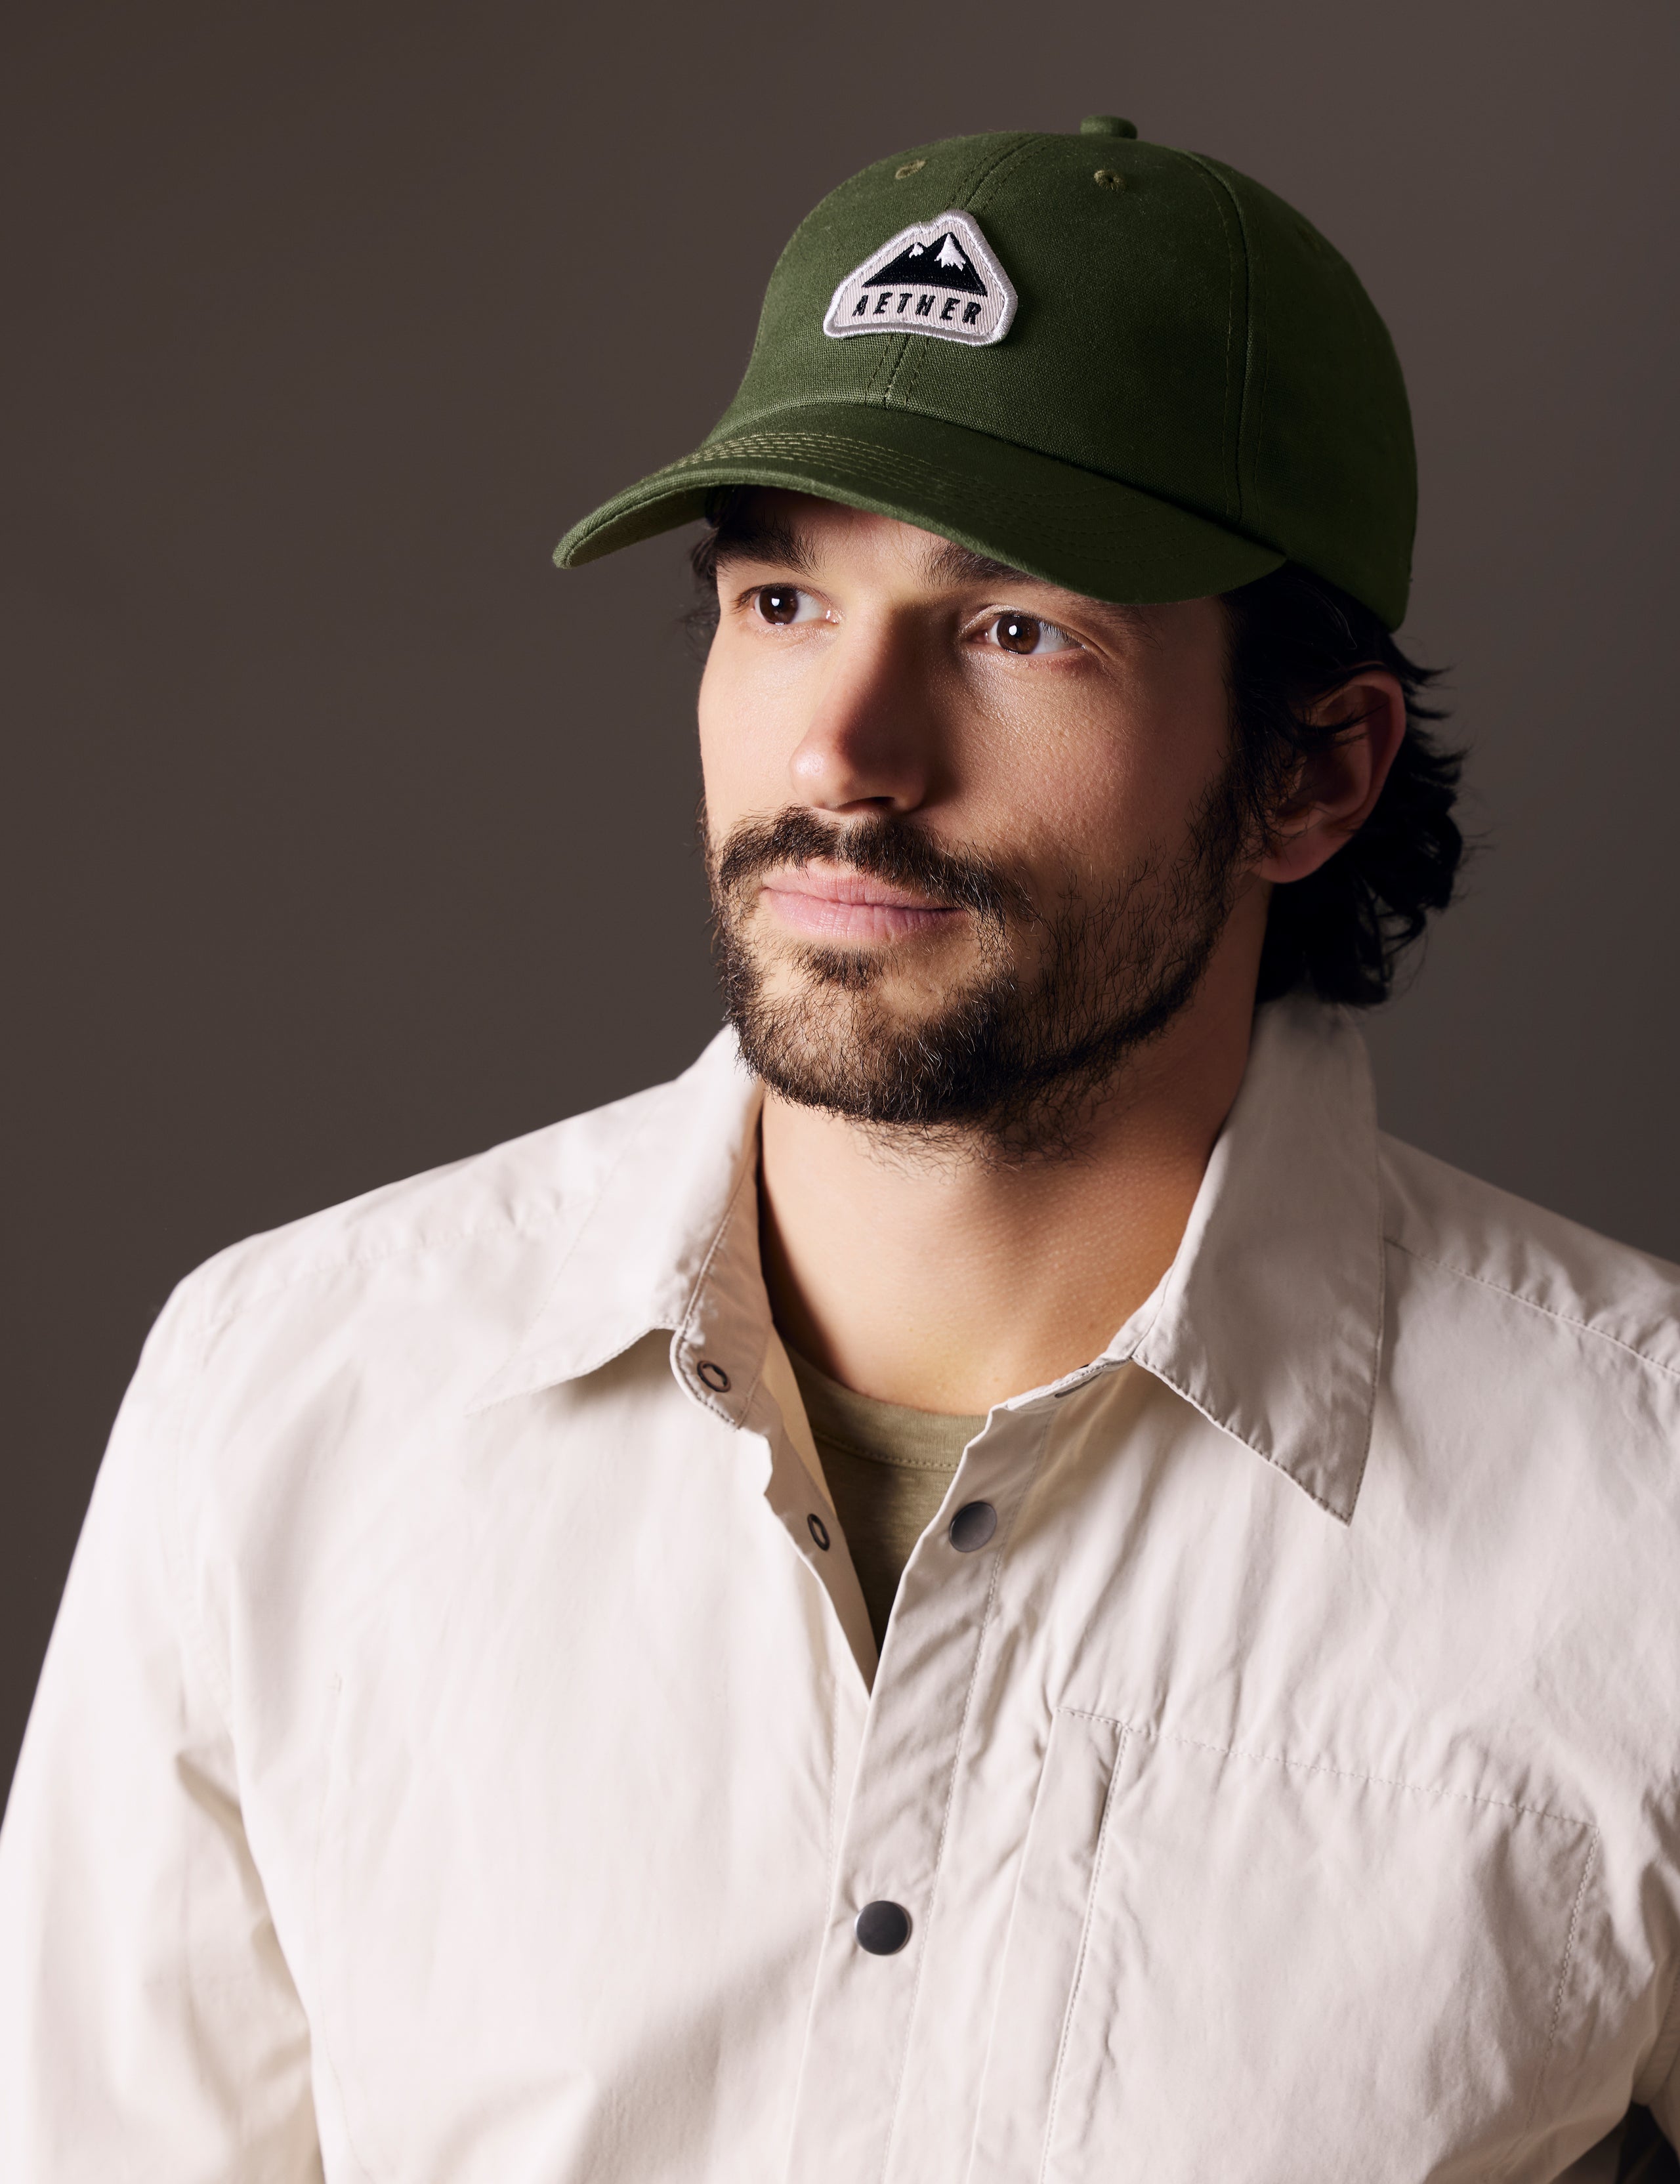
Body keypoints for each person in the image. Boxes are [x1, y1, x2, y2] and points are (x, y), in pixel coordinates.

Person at [1, 112, 1677, 2184]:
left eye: (1015, 630)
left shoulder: (1642, 1509)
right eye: (784, 597)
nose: (841, 755)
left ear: (1311, 770)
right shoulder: (289, 1399)